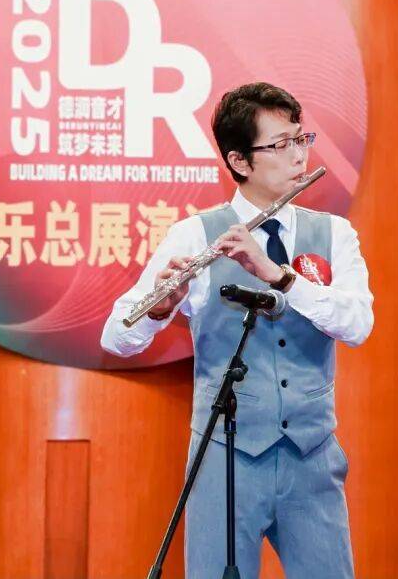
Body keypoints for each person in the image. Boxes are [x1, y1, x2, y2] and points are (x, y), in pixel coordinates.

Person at [101, 81, 373, 578]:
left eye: (301, 138)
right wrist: (160, 310)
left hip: (312, 456)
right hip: (225, 456)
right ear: (239, 161)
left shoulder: (334, 232)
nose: (298, 154)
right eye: (281, 144)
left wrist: (281, 277)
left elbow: (357, 325)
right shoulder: (194, 235)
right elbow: (115, 336)